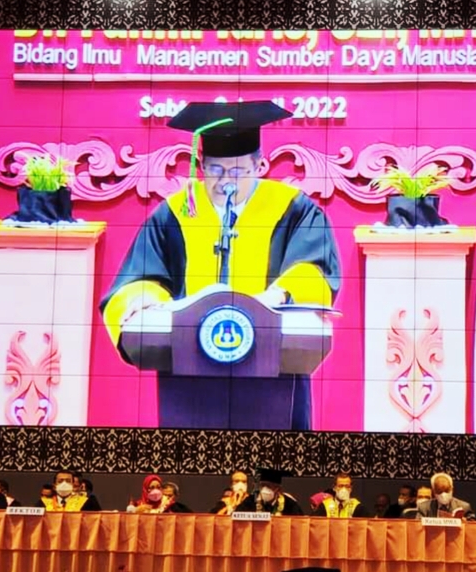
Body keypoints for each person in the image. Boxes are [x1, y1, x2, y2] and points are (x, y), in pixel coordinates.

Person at [100, 100, 342, 431]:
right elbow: (140, 275)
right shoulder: (175, 213)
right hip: (188, 372)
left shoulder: (294, 209)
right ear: (201, 165)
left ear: (259, 166)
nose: (226, 181)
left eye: (238, 171)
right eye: (215, 170)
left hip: (274, 370)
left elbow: (315, 267)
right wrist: (142, 298)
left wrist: (278, 295)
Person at [235, 468, 303, 516]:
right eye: (262, 485)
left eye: (268, 486)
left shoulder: (289, 504)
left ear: (277, 489)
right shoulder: (251, 501)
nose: (264, 489)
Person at [35, 470, 102, 512]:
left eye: (68, 481)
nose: (64, 484)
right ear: (54, 486)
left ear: (73, 484)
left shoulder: (86, 502)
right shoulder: (44, 503)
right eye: (60, 481)